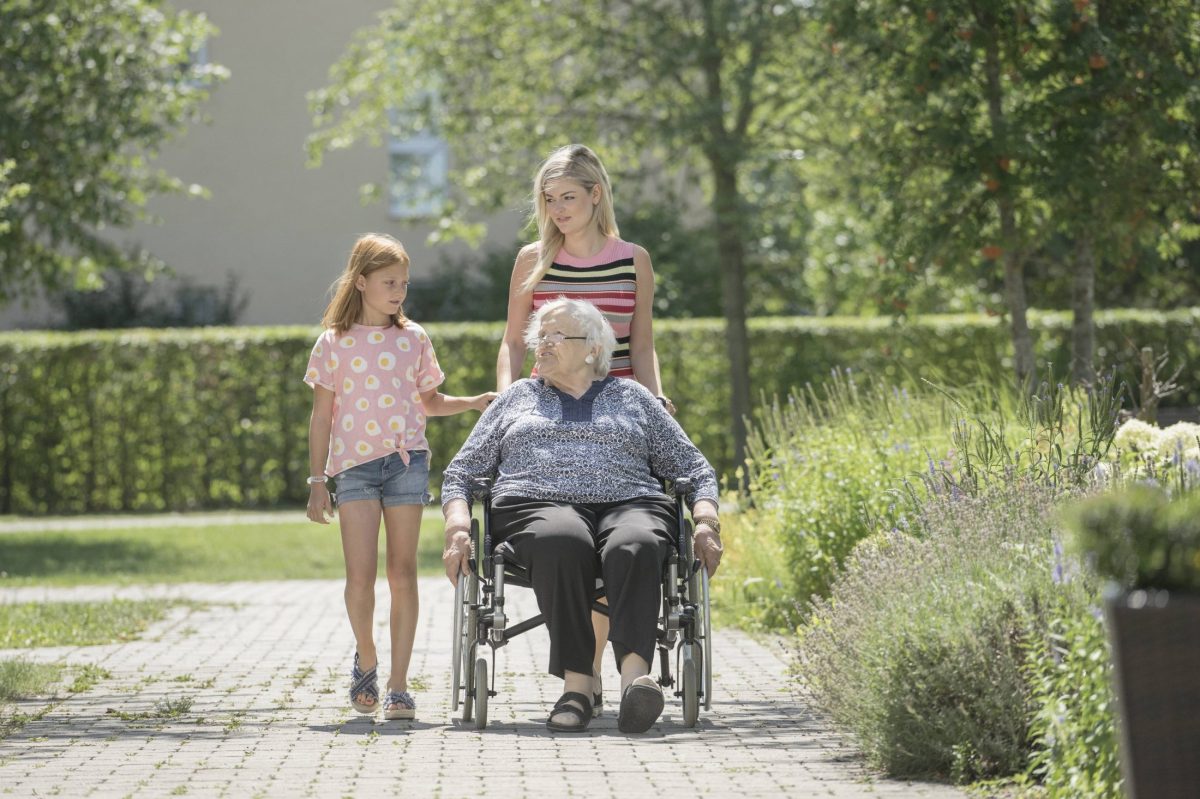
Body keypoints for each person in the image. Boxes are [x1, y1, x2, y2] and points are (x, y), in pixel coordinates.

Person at [444, 298, 722, 733]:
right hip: (535, 504)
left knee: (639, 542)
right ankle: (578, 684)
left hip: (630, 501)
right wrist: (458, 526)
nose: (543, 343)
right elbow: (462, 472)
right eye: (541, 335)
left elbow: (693, 468)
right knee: (563, 540)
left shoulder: (633, 397)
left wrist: (705, 522)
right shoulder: (517, 397)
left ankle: (636, 682)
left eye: (556, 335)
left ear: (593, 348)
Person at [495, 143, 675, 711]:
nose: (557, 211)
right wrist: (507, 400)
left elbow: (640, 345)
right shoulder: (533, 261)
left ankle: (592, 676)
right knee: (568, 531)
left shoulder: (633, 260)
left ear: (596, 195)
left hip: (619, 413)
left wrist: (655, 399)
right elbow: (512, 341)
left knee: (621, 530)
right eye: (548, 201)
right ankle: (586, 676)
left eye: (568, 198)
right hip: (550, 411)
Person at [304, 233, 496, 720]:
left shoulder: (414, 339)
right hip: (353, 469)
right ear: (362, 281)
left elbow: (429, 402)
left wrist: (472, 402)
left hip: (407, 463)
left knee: (403, 572)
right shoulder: (333, 343)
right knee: (361, 576)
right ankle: (366, 657)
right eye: (389, 282)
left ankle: (398, 684)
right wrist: (317, 481)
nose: (399, 292)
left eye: (404, 284)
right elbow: (321, 417)